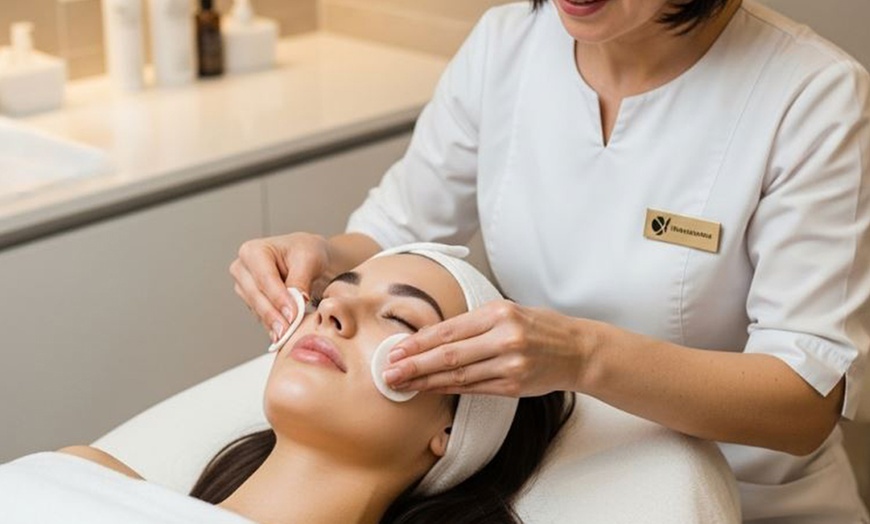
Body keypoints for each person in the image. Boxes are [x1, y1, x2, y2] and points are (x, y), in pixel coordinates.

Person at [230, 0, 870, 521]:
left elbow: (804, 403)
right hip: (548, 482)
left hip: (755, 501)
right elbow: (392, 231)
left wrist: (582, 357)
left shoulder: (811, 95)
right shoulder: (505, 45)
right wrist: (322, 258)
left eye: (398, 319)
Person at [38, 247, 573, 524]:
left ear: (451, 430)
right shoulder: (86, 474)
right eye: (327, 297)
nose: (331, 312)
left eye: (401, 319)